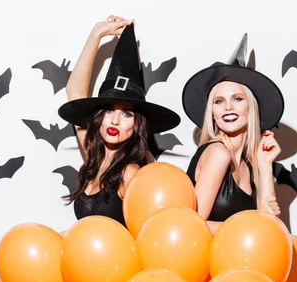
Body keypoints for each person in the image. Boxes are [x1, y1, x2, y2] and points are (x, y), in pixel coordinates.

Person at [57, 16, 181, 226]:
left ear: (137, 124)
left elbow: (146, 235)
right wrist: (97, 34)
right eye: (108, 110)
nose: (115, 120)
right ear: (98, 117)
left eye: (126, 114)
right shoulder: (93, 159)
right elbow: (74, 91)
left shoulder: (131, 173)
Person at [182, 34, 284, 234]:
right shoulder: (217, 153)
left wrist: (265, 164)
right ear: (212, 112)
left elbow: (270, 228)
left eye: (237, 99)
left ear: (251, 108)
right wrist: (253, 223)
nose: (228, 107)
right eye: (219, 101)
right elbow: (193, 226)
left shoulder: (250, 164)